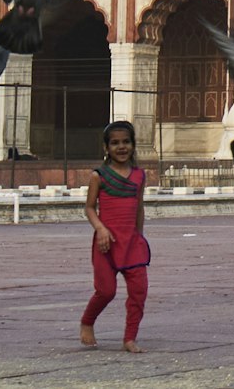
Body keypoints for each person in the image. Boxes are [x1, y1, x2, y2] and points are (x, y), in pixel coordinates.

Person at [81, 120, 150, 353]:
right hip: (106, 244)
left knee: (139, 292)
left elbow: (139, 207)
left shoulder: (140, 176)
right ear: (106, 148)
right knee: (106, 291)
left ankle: (130, 338)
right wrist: (100, 228)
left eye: (126, 142)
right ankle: (87, 321)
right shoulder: (98, 176)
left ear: (133, 145)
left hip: (132, 244)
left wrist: (139, 237)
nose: (121, 147)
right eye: (115, 143)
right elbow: (90, 208)